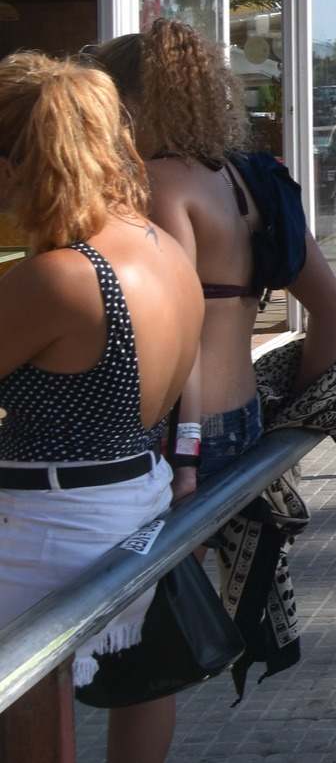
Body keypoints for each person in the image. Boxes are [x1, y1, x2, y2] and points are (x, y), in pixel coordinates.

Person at [0, 52, 204, 761]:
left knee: (25, 709)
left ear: (17, 162)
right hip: (131, 501)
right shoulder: (164, 249)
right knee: (142, 686)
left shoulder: (57, 277)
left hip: (46, 530)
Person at [94, 21, 336, 493]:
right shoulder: (252, 178)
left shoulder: (158, 184)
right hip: (245, 413)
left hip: (179, 434)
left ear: (131, 104)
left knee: (165, 566)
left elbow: (177, 324)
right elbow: (332, 309)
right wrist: (296, 409)